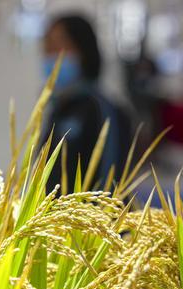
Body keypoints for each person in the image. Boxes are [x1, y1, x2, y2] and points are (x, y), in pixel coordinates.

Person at [40, 14, 131, 192]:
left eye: (59, 46)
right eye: (48, 47)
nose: (52, 56)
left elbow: (111, 182)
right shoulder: (58, 108)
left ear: (82, 50)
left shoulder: (103, 110)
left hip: (89, 218)